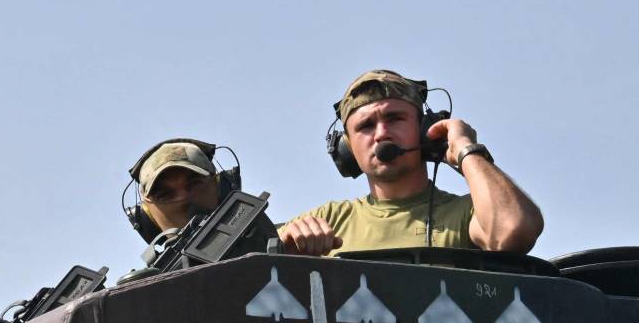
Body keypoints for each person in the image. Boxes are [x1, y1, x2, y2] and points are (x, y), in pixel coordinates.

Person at [277, 70, 544, 257]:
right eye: (366, 126)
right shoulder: (328, 220)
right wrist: (283, 248)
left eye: (395, 119)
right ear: (348, 149)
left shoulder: (466, 213)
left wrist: (466, 150)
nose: (381, 134)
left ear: (424, 129)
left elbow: (514, 231)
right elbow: (250, 263)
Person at [126, 139, 229, 265]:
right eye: (165, 195)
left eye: (193, 184)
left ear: (221, 186)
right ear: (148, 216)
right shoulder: (161, 278)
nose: (183, 198)